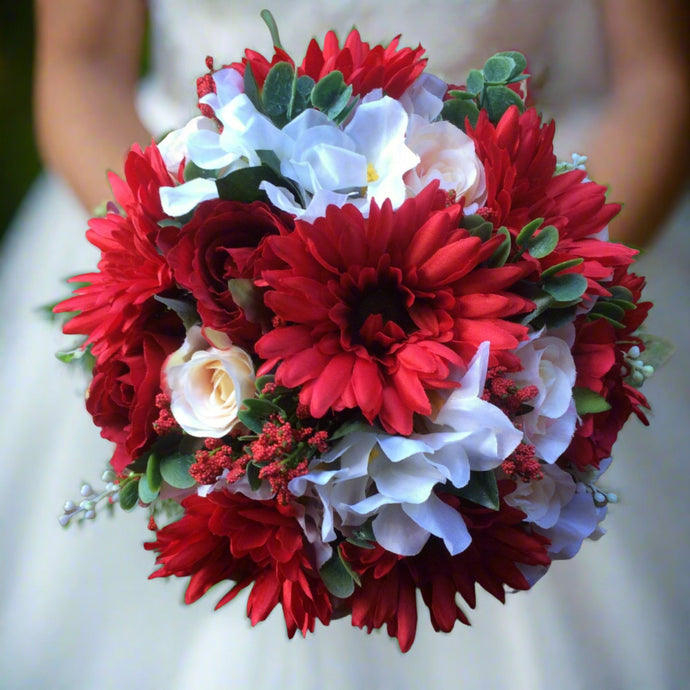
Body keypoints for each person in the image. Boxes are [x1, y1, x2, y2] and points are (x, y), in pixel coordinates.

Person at [0, 1, 688, 688]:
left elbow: (657, 79)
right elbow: (81, 69)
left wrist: (529, 305)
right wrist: (209, 305)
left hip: (513, 267)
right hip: (193, 254)